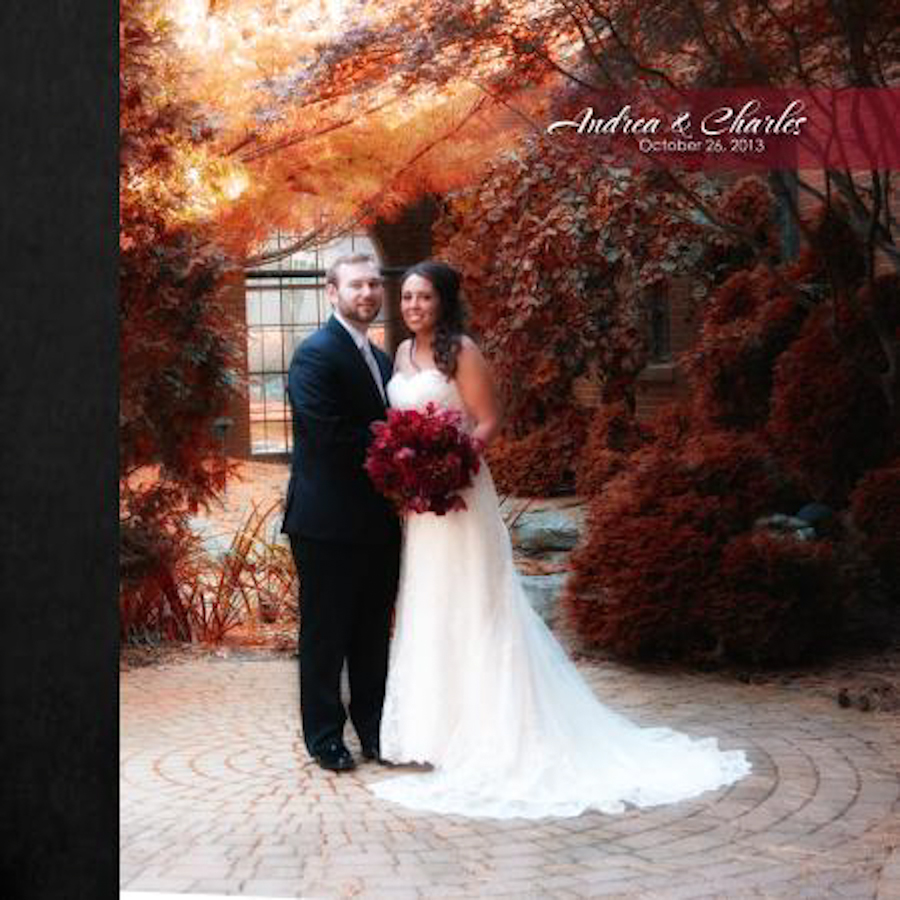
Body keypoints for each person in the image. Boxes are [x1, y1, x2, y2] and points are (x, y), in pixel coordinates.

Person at [368, 260, 751, 818]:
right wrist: (412, 473)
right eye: (406, 297)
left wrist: (450, 464)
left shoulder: (463, 352)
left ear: (444, 301)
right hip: (423, 508)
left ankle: (489, 733)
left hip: (460, 493)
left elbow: (488, 420)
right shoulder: (400, 354)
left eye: (423, 297)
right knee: (430, 602)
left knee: (474, 602)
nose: (413, 306)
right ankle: (434, 734)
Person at [282, 253, 401, 772]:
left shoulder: (381, 360)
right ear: (333, 292)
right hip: (326, 522)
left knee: (372, 634)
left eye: (374, 284)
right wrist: (402, 450)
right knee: (326, 635)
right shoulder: (315, 355)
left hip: (379, 520)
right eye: (356, 285)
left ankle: (373, 730)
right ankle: (325, 737)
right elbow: (328, 434)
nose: (368, 293)